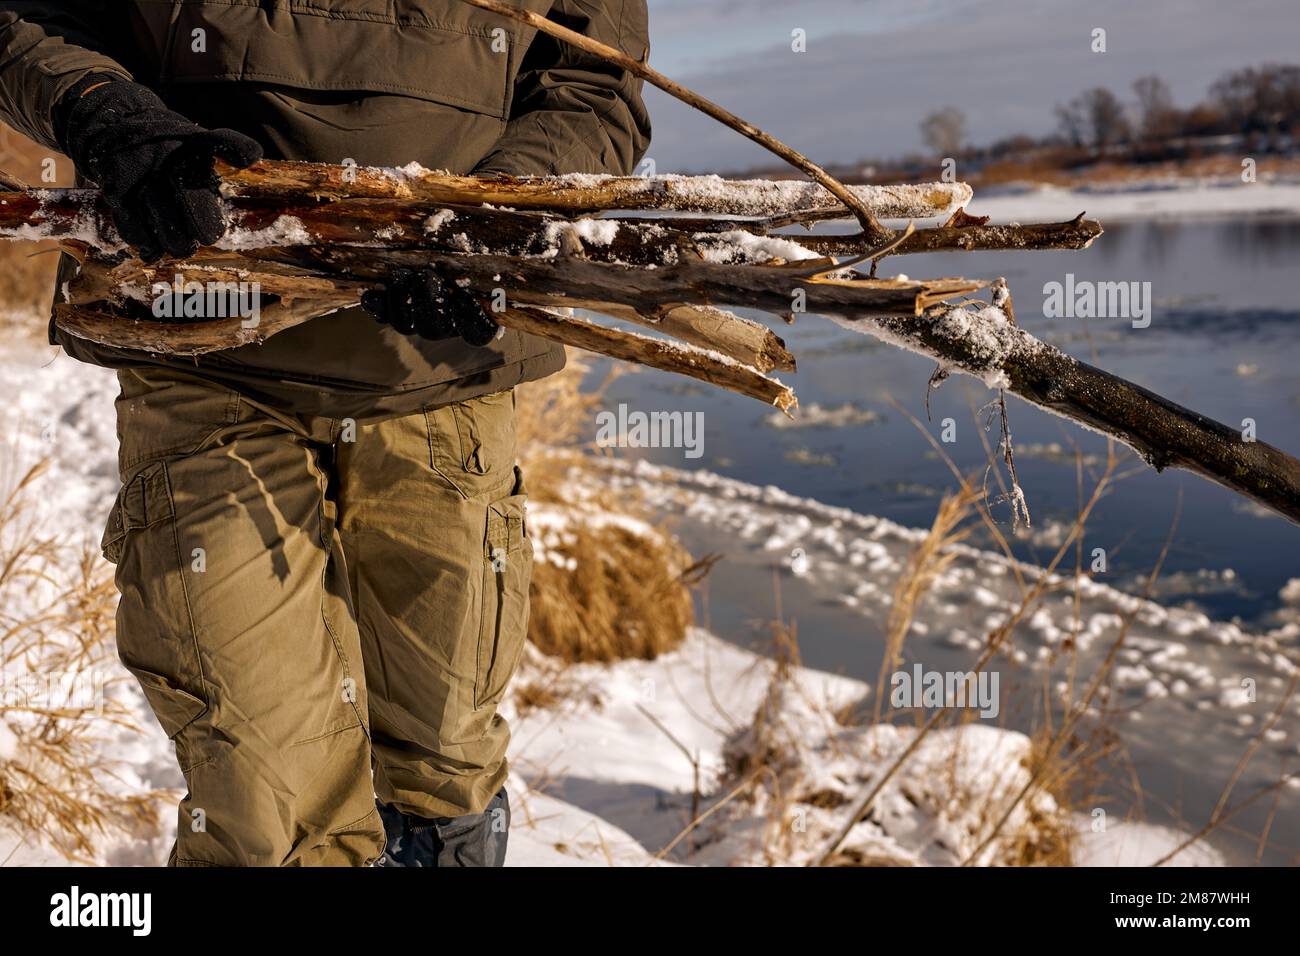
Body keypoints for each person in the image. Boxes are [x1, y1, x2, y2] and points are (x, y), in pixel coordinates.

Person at [0, 0, 651, 867]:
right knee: (265, 792)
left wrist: (481, 220)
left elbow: (592, 86)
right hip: (201, 334)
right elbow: (30, 16)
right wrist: (103, 107)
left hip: (440, 358)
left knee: (442, 763)